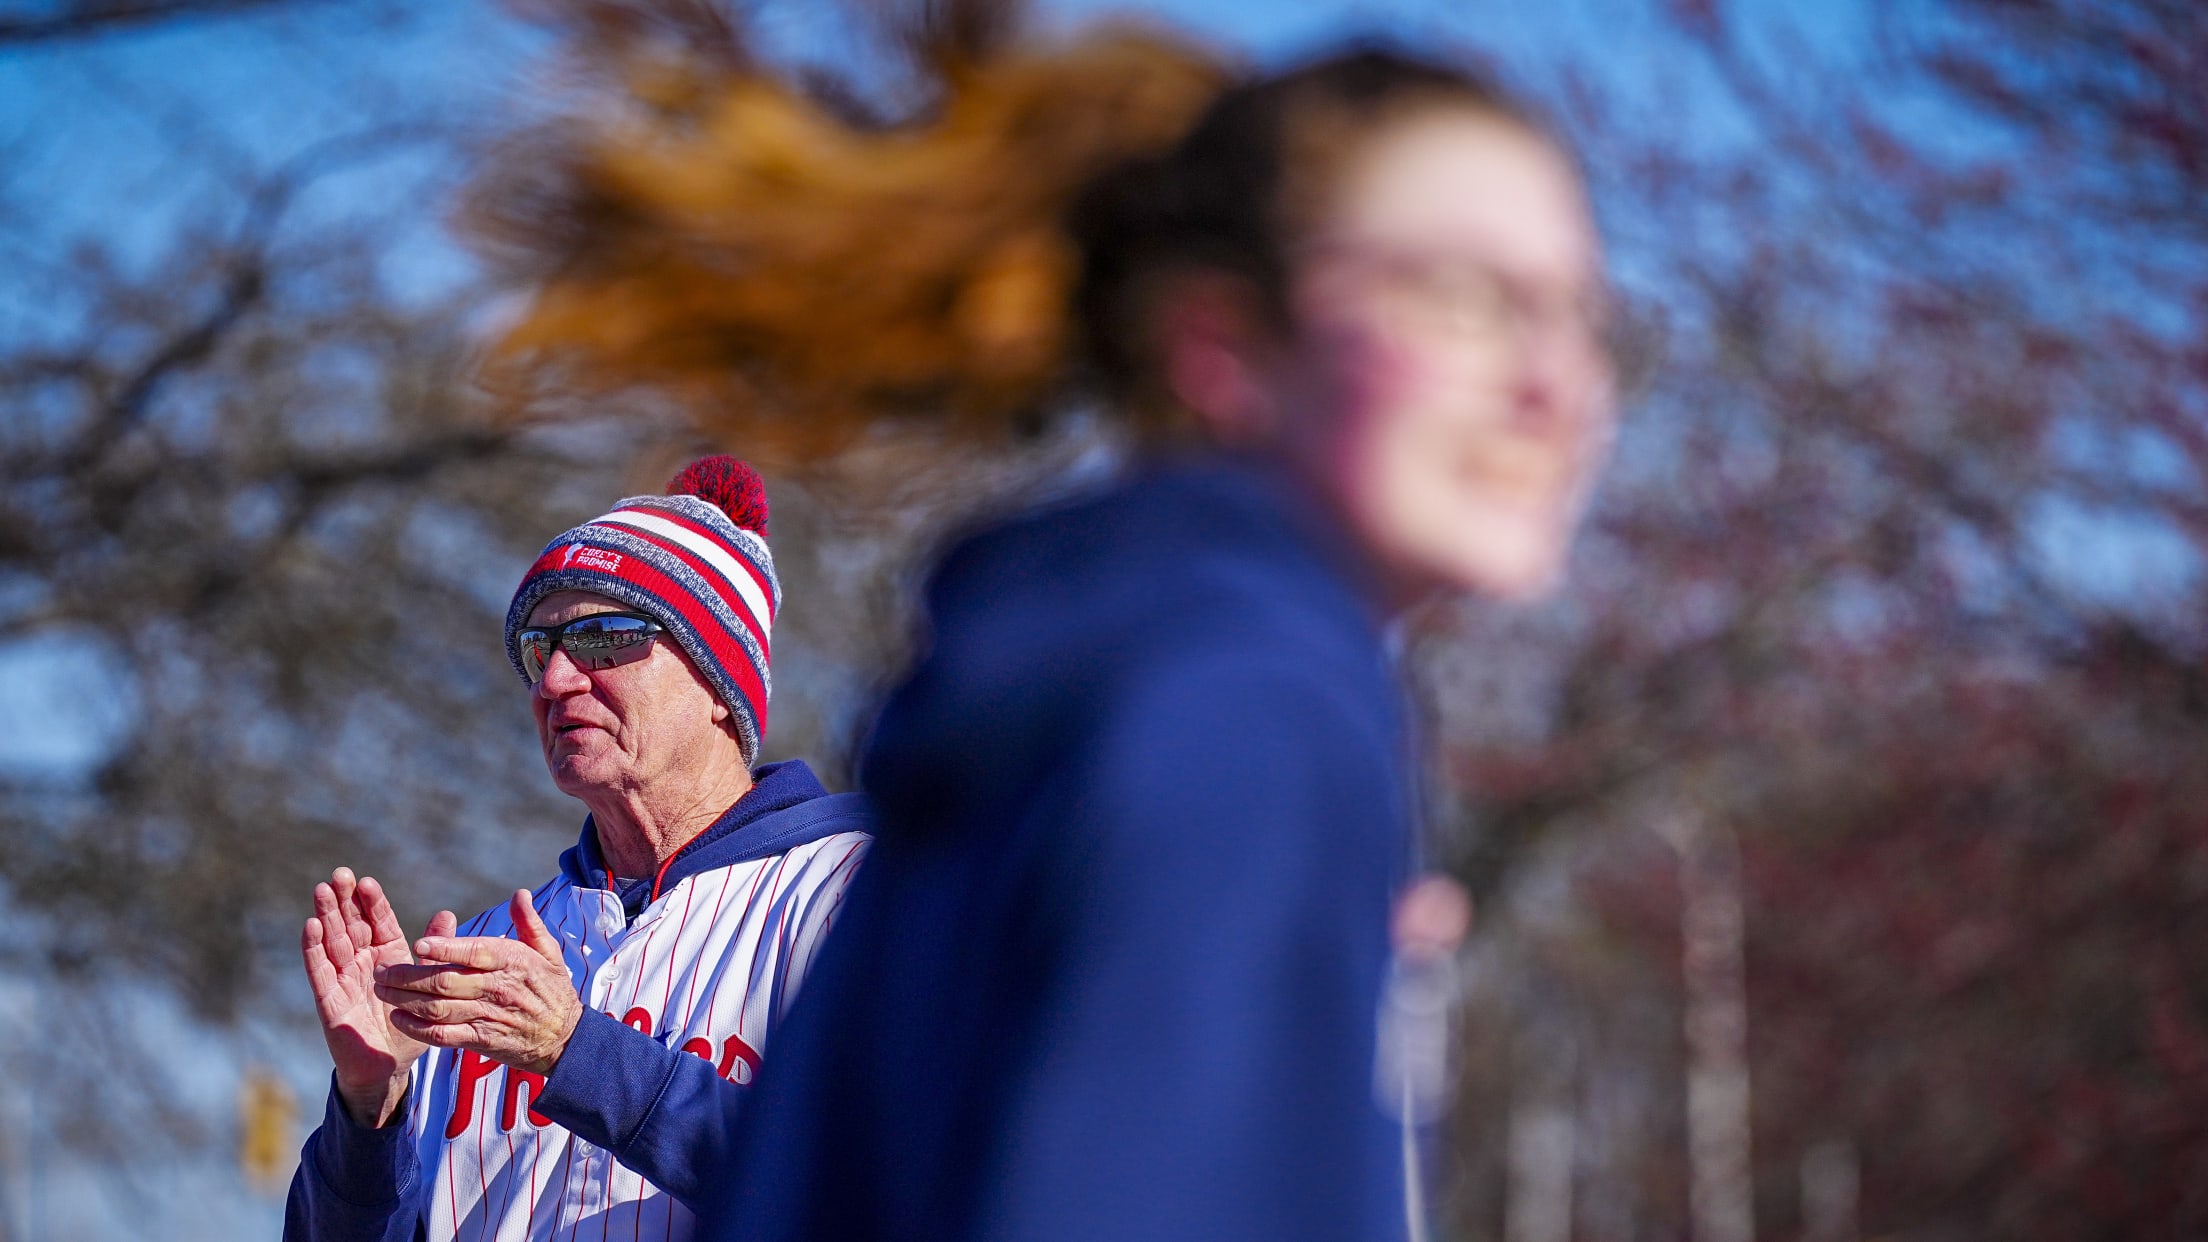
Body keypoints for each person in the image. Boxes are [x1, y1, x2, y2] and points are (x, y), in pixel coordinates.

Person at [680, 45, 1616, 1242]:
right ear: (1220, 346)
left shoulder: (1079, 686)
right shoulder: (1255, 715)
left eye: (1584, 318)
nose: (1555, 384)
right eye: (1464, 299)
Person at [284, 456, 872, 1242]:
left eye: (602, 638)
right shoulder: (482, 957)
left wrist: (577, 1052)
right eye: (539, 647)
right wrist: (369, 1113)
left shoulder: (859, 894)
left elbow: (881, 1186)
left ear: (717, 684)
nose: (554, 680)